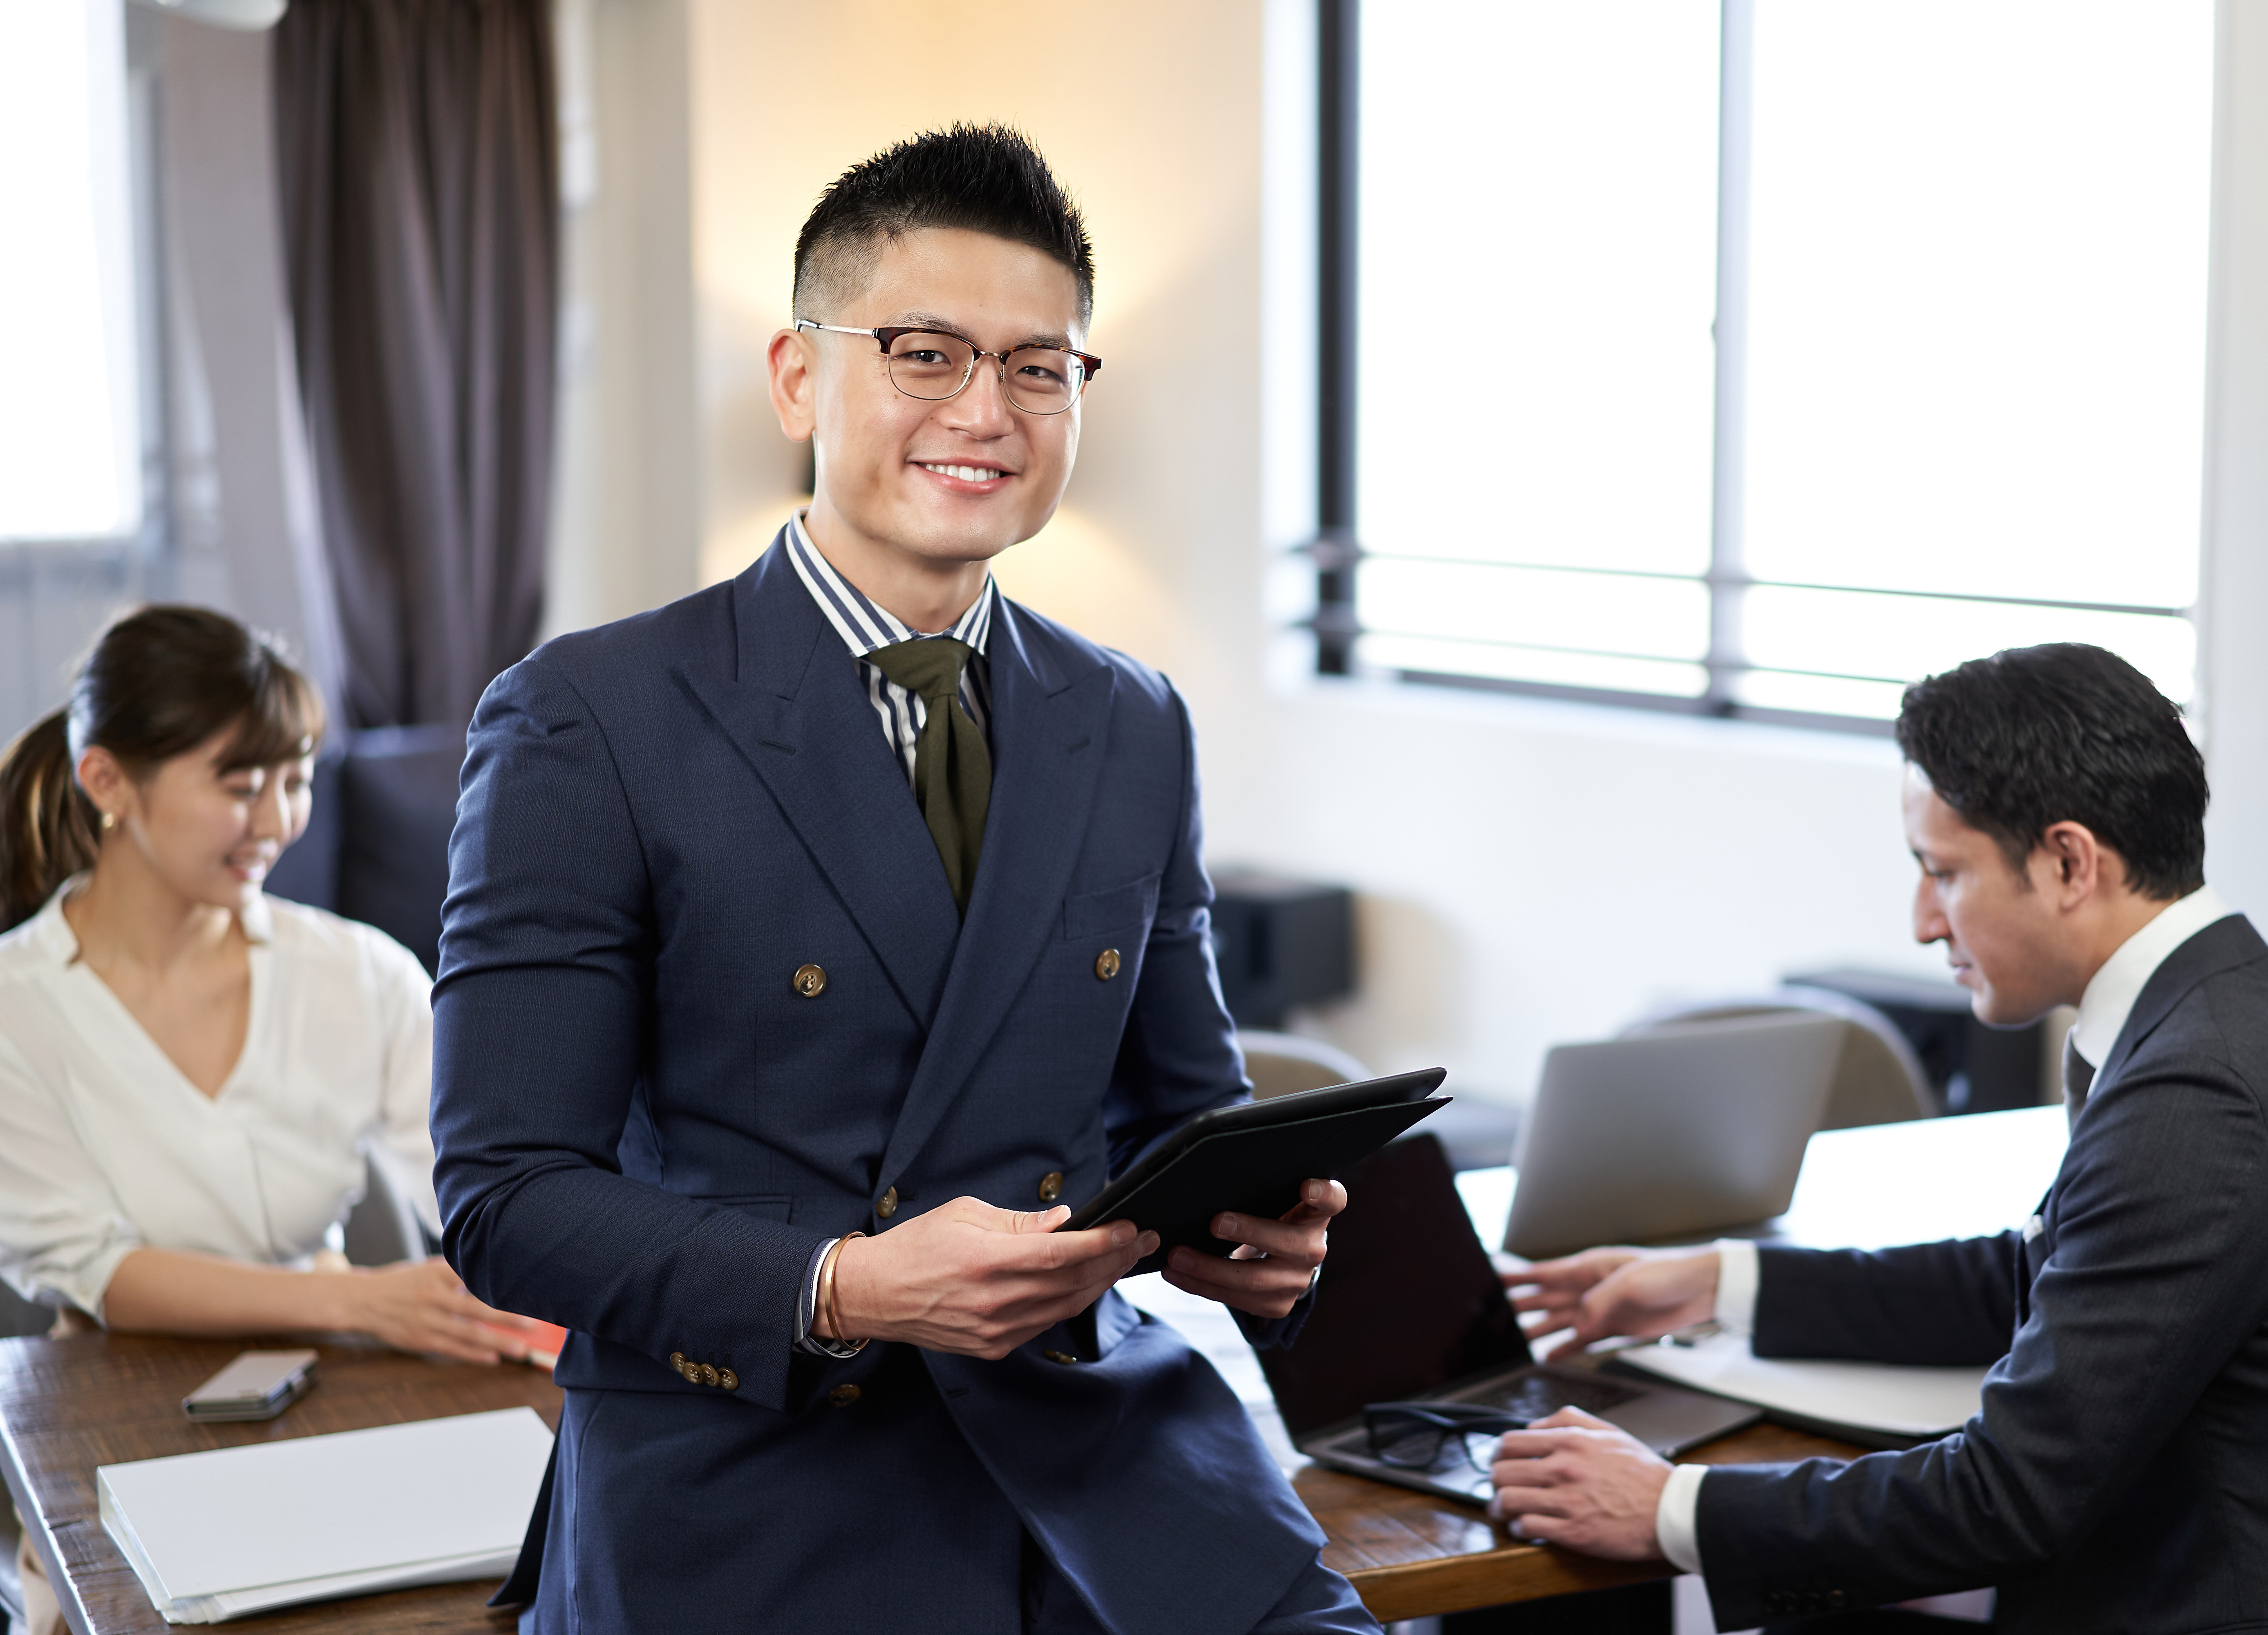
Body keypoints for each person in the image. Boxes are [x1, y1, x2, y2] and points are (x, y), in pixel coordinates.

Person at [429, 125, 1371, 1635]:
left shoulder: (1132, 717)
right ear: (800, 376)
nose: (986, 412)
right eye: (926, 354)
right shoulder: (585, 717)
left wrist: (1254, 1236)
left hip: (1097, 1444)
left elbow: (1179, 1114)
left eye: (1040, 367)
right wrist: (849, 1287)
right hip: (755, 1466)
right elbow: (506, 1200)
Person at [1496, 643, 2268, 1633]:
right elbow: (2054, 1274)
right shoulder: (2234, 1002)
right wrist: (1727, 1283)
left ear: (2070, 861)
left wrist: (1669, 1507)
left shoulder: (2201, 1090)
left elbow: (2009, 1495)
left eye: (1943, 871)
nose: (1921, 922)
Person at [0, 607, 540, 1635]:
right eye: (240, 786)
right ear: (109, 781)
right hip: (114, 1411)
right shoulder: (17, 1004)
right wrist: (363, 1301)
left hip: (344, 1400)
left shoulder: (358, 971)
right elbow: (101, 1272)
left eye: (294, 780)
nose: (277, 820)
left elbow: (476, 1180)